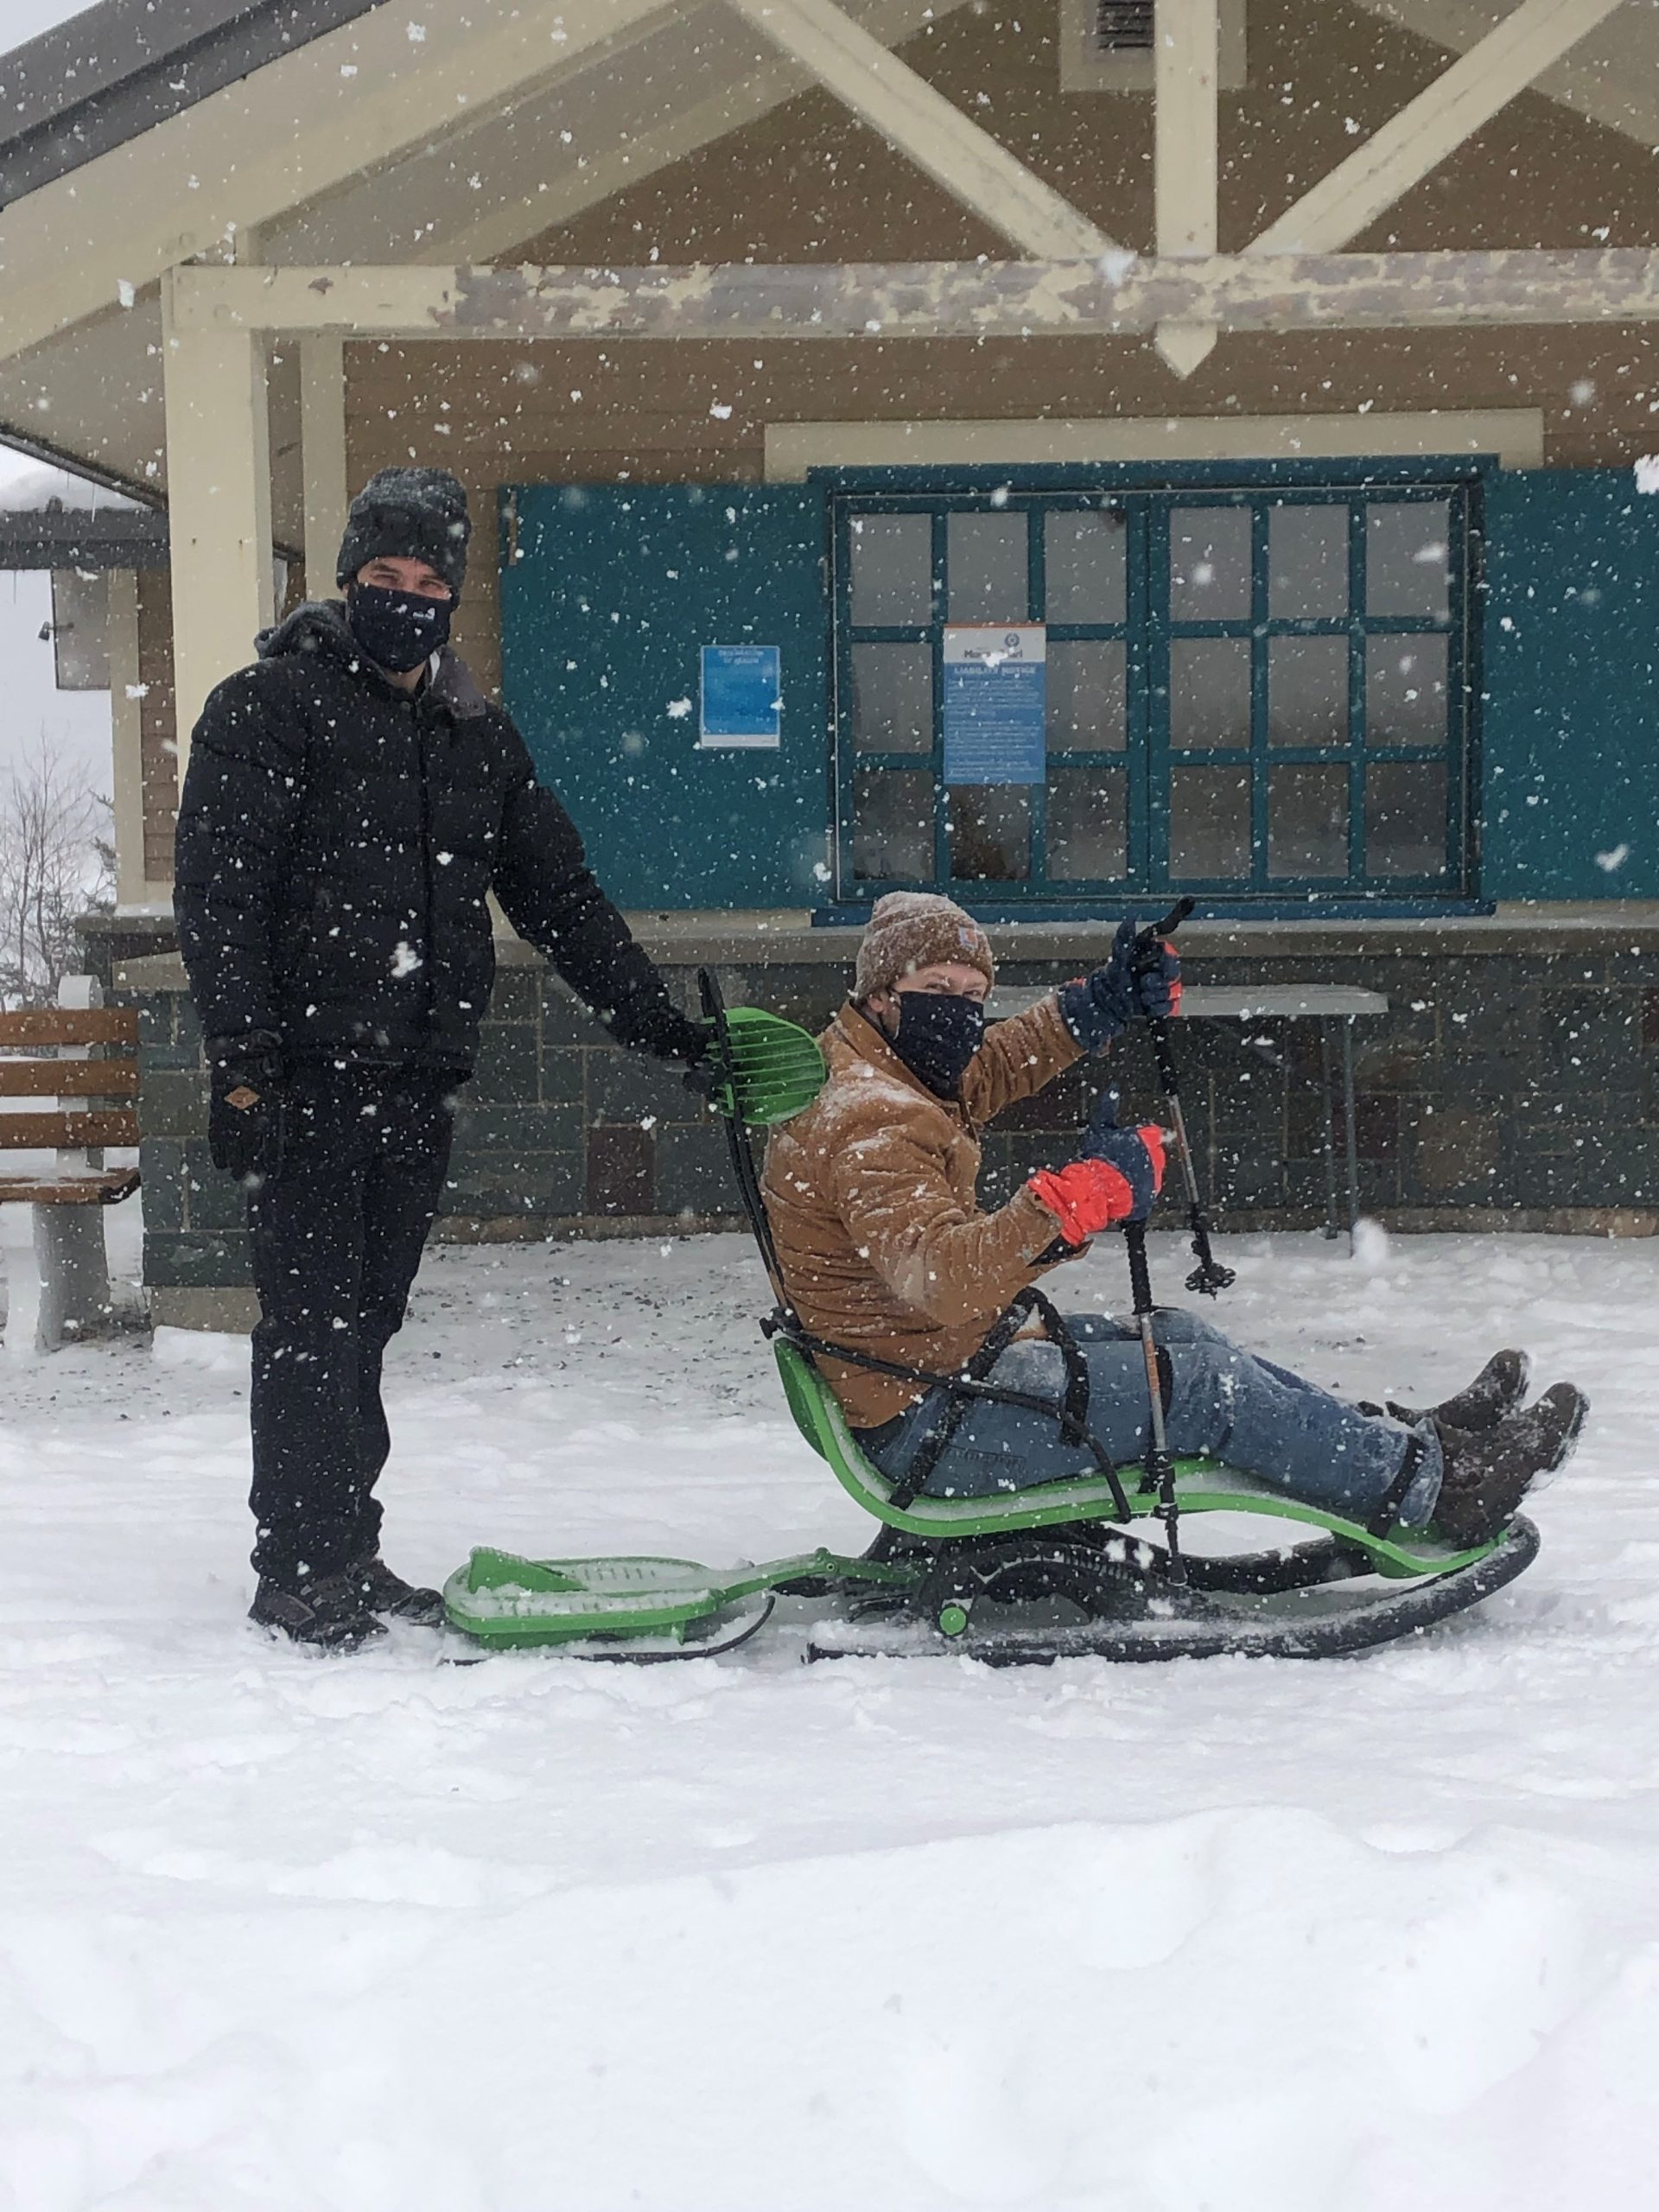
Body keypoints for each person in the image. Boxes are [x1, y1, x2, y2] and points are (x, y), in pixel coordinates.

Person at [175, 467, 709, 1652]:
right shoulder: (268, 710)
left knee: (365, 1323)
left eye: (428, 584)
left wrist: (658, 1024)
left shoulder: (476, 737)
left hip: (418, 1078)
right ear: (347, 583)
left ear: (452, 599)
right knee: (312, 1325)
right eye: (384, 579)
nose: (406, 601)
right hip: (307, 1079)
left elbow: (560, 897)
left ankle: (345, 1546)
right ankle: (301, 1565)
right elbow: (222, 899)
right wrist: (246, 1061)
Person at [761, 892, 1587, 1545]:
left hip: (936, 1375)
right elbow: (941, 1279)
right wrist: (1081, 1197)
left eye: (975, 995)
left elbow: (995, 1064)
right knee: (1199, 1388)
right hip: (933, 1421)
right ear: (879, 994)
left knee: (1185, 1339)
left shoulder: (883, 1066)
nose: (964, 1015)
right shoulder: (870, 1119)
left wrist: (1102, 1003)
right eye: (939, 992)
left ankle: (1401, 1448)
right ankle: (1439, 1492)